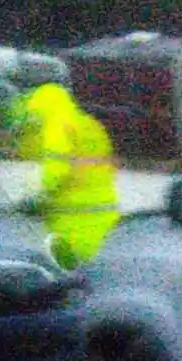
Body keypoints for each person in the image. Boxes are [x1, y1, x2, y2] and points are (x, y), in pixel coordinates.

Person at [7, 82, 120, 268]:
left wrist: (33, 200)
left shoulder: (56, 125)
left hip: (70, 223)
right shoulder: (88, 124)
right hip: (105, 219)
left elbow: (56, 170)